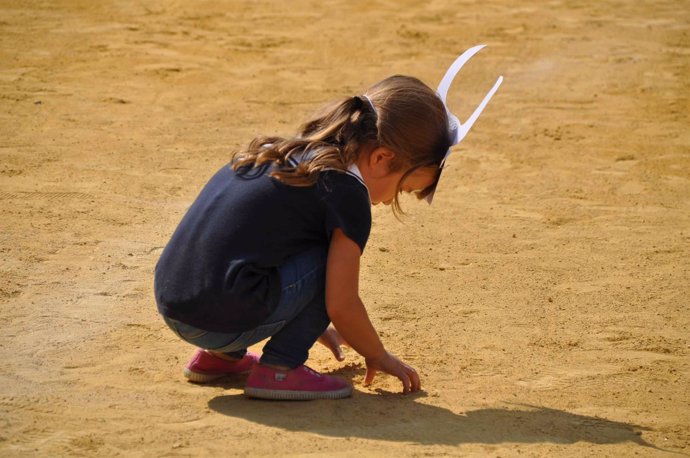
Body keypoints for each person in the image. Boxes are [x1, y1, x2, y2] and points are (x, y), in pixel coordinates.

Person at [154, 47, 502, 401]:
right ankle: (279, 368)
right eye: (402, 187)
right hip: (218, 320)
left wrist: (300, 314)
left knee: (308, 245)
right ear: (382, 158)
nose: (383, 201)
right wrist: (377, 354)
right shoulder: (347, 193)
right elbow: (342, 302)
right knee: (331, 260)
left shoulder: (286, 152)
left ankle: (220, 359)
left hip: (176, 303)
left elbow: (255, 242)